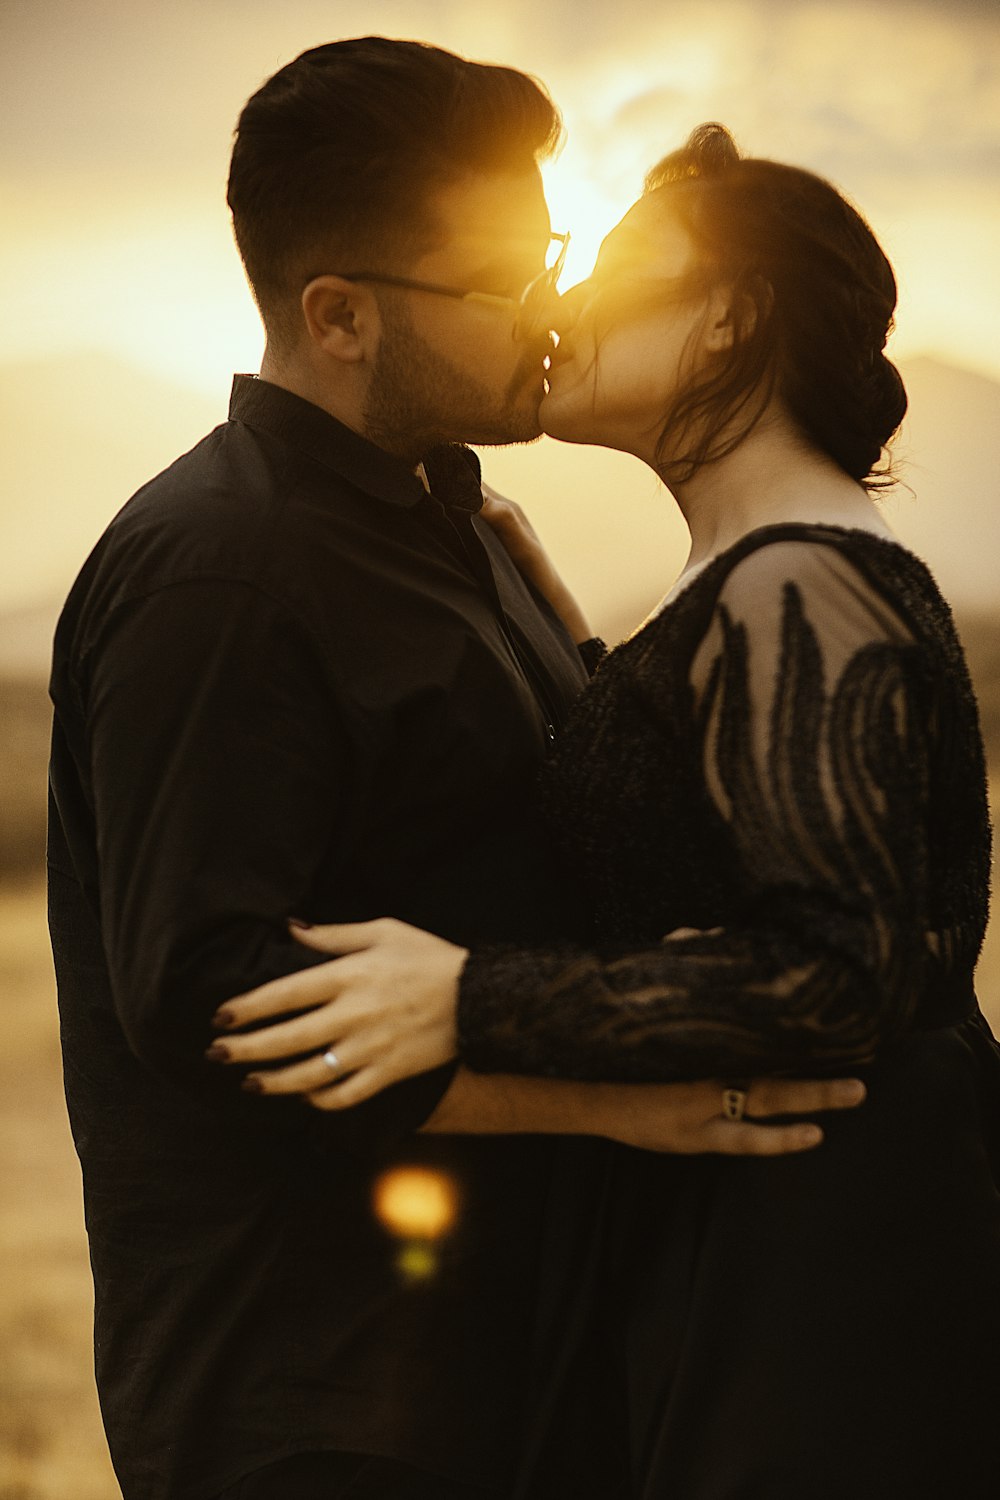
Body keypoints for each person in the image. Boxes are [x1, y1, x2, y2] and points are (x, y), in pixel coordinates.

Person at [47, 47, 862, 1500]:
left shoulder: (465, 522)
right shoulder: (225, 575)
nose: (546, 304)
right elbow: (218, 1007)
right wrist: (608, 1100)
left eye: (546, 251)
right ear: (340, 315)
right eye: (497, 277)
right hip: (317, 1399)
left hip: (507, 1358)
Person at [215, 125, 1000, 1498]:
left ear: (728, 323)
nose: (557, 306)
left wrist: (469, 999)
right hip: (763, 1232)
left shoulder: (798, 588)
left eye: (620, 267)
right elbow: (707, 824)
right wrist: (598, 672)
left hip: (830, 1273)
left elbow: (841, 972)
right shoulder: (755, 582)